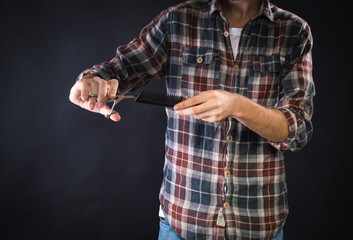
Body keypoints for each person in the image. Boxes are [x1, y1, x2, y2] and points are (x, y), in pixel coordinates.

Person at [69, 0, 315, 239]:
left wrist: (239, 107)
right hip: (182, 222)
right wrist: (93, 80)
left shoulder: (294, 31)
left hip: (258, 223)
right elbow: (119, 69)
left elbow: (297, 130)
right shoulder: (177, 20)